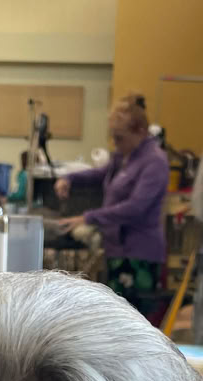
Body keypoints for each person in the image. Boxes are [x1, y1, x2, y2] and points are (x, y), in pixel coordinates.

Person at [56, 94, 169, 314]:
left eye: (119, 138)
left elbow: (135, 207)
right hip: (117, 250)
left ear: (140, 131)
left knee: (130, 319)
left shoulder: (154, 161)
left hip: (138, 256)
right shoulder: (124, 156)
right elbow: (99, 174)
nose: (115, 144)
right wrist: (69, 178)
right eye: (113, 138)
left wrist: (87, 218)